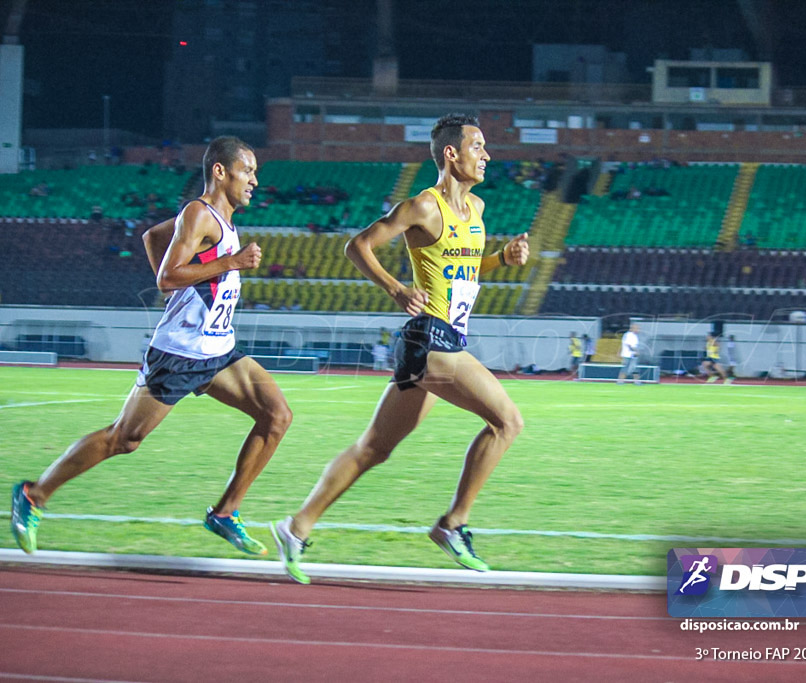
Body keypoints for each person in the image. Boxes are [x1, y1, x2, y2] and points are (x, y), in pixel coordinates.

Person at [269, 114, 529, 584]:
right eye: (478, 146)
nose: (487, 155)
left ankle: (295, 527)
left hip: (441, 340)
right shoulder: (423, 207)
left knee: (373, 448)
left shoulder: (479, 211)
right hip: (430, 337)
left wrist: (500, 260)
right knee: (507, 420)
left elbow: (462, 272)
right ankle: (453, 524)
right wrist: (394, 288)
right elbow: (358, 245)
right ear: (451, 154)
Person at [10, 137, 292, 557]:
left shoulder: (213, 219)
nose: (254, 180)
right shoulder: (200, 213)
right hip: (178, 353)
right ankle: (33, 494)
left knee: (277, 416)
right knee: (124, 439)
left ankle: (225, 512)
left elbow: (151, 238)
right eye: (247, 171)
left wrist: (192, 287)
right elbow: (166, 277)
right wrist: (229, 264)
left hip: (217, 349)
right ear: (220, 171)